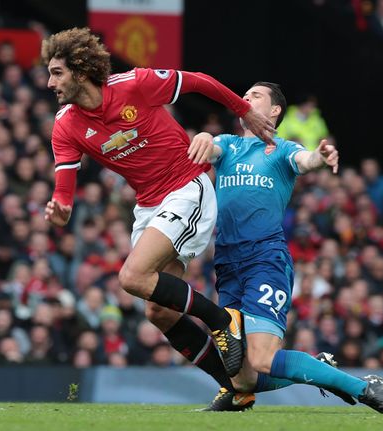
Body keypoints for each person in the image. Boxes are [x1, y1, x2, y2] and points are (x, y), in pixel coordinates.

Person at [41, 27, 277, 389]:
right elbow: (64, 190)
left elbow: (200, 82)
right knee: (159, 311)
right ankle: (235, 388)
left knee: (131, 277)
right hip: (148, 205)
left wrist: (245, 111)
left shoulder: (134, 84)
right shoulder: (66, 126)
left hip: (186, 186)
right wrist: (61, 209)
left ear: (81, 71)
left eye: (57, 73)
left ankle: (221, 321)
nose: (49, 82)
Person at [187, 81, 383, 414]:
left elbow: (306, 160)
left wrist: (321, 155)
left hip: (265, 259)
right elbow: (209, 148)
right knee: (242, 381)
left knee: (261, 358)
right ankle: (317, 367)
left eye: (255, 96)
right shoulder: (227, 145)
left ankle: (363, 388)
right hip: (227, 263)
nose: (245, 98)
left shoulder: (283, 149)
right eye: (243, 95)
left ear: (274, 111)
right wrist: (201, 137)